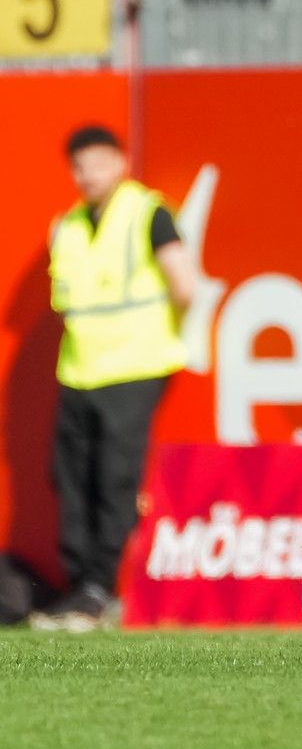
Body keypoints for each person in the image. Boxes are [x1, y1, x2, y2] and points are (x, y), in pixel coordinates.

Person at [36, 125, 197, 632]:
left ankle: (101, 589)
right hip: (79, 369)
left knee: (113, 479)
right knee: (70, 478)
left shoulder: (148, 213)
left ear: (121, 162)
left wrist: (153, 334)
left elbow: (185, 285)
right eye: (80, 165)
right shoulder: (67, 226)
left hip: (134, 366)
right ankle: (80, 587)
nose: (89, 174)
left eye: (98, 162)